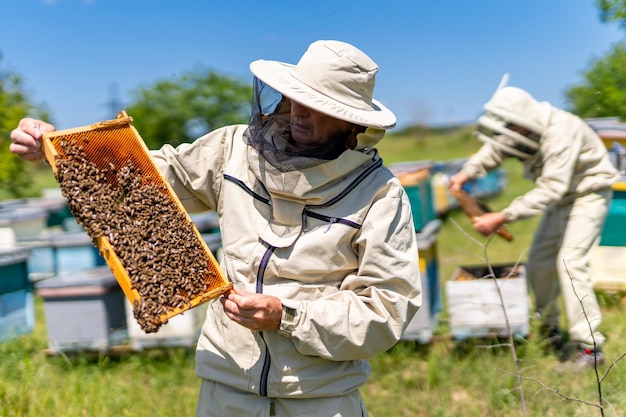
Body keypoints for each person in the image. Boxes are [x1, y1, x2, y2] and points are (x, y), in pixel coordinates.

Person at [10, 40, 421, 416]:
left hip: (321, 398)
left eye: (318, 104)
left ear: (349, 121)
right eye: (297, 97)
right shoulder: (231, 150)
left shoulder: (380, 196)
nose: (299, 110)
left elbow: (386, 309)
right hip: (226, 384)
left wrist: (287, 316)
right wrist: (60, 149)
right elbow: (149, 175)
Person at [449, 85, 618, 370]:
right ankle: (549, 330)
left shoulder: (561, 130)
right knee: (539, 263)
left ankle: (590, 348)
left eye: (512, 124)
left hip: (589, 193)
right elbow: (496, 148)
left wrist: (502, 216)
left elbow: (552, 186)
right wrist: (467, 172)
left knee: (570, 263)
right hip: (561, 200)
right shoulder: (523, 126)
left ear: (523, 117)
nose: (509, 129)